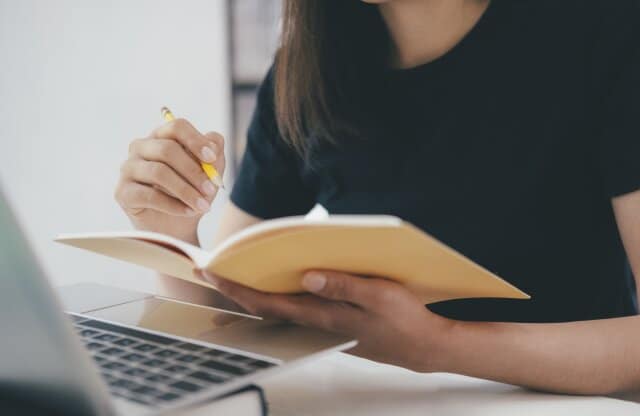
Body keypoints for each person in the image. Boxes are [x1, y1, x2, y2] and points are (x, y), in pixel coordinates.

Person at [114, 0, 640, 395]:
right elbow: (225, 319)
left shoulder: (604, 31)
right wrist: (170, 230)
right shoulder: (305, 74)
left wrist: (441, 345)